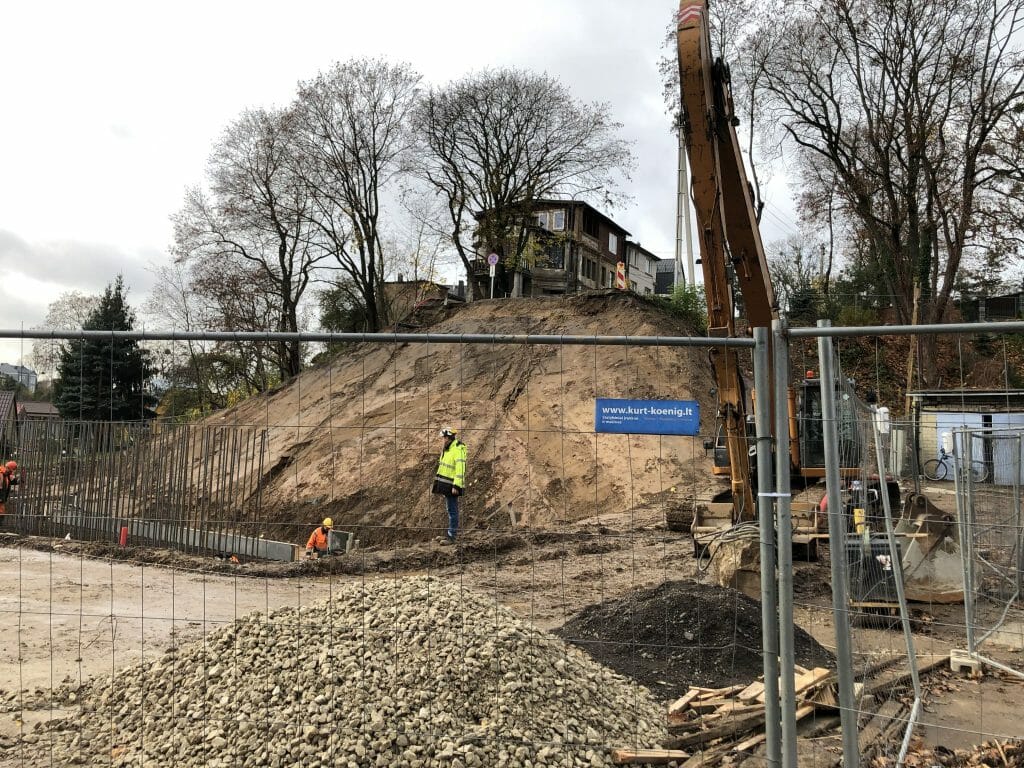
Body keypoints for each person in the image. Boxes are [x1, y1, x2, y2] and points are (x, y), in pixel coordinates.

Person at [433, 428, 467, 544]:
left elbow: (460, 468)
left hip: (452, 485)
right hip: (446, 484)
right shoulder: (448, 449)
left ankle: (451, 536)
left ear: (448, 438)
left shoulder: (457, 449)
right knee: (450, 509)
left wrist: (456, 486)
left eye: (444, 438)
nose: (443, 440)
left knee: (452, 510)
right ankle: (449, 534)